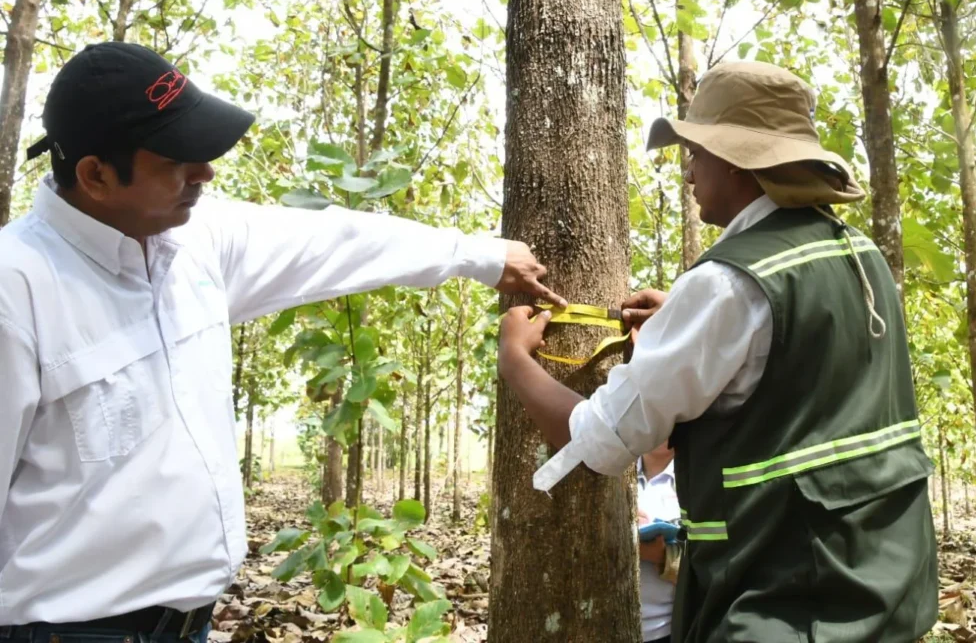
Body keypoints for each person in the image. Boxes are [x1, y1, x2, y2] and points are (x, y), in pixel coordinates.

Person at [0, 42, 565, 639]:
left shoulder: (193, 244)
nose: (206, 174)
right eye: (178, 160)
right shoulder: (18, 289)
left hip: (189, 625)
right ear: (95, 174)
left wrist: (481, 256)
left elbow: (335, 242)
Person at [498, 61, 938, 642]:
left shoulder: (728, 283)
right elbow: (802, 396)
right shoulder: (861, 256)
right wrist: (689, 327)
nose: (689, 174)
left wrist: (514, 359)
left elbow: (600, 441)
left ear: (735, 161)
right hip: (886, 593)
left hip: (781, 608)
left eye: (697, 155)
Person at [636, 442, 682, 643]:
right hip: (608, 624)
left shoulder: (694, 477)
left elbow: (713, 567)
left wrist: (662, 556)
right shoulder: (614, 470)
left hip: (666, 629)